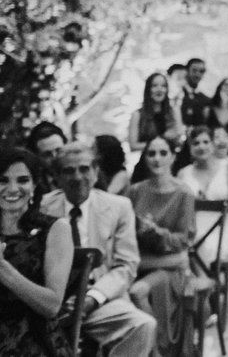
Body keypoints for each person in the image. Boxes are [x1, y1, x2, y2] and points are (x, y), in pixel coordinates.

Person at [40, 142, 156, 356]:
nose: (77, 177)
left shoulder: (118, 207)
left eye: (84, 169)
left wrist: (92, 299)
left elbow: (126, 265)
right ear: (56, 176)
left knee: (143, 326)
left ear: (95, 172)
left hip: (99, 299)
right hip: (53, 300)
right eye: (68, 171)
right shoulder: (42, 208)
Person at [126, 136, 195, 357]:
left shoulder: (183, 192)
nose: (157, 159)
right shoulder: (135, 191)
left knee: (137, 292)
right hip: (138, 261)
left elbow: (183, 241)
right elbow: (125, 232)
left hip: (168, 267)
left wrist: (154, 232)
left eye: (163, 153)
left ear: (173, 157)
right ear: (144, 158)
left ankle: (156, 350)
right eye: (151, 153)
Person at [0, 147, 73, 356]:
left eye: (22, 180)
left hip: (31, 339)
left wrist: (3, 269)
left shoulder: (55, 229)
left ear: (34, 186)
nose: (12, 189)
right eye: (3, 180)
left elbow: (52, 305)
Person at [177, 127, 228, 268]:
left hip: (221, 228)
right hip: (190, 227)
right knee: (187, 243)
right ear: (190, 147)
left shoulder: (227, 168)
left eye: (206, 142)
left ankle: (203, 282)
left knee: (206, 247)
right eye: (196, 143)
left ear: (212, 144)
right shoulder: (183, 173)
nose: (201, 147)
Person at [128, 72, 183, 156]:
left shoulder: (174, 111)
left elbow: (179, 137)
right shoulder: (137, 115)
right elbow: (133, 146)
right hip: (148, 159)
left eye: (163, 86)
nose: (159, 89)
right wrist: (161, 140)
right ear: (148, 89)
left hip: (171, 159)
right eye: (154, 86)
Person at [25, 121, 66, 198]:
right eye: (47, 154)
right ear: (37, 158)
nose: (55, 157)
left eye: (59, 150)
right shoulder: (33, 188)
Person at [180, 58, 211, 129]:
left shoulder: (206, 100)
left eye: (201, 71)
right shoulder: (177, 94)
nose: (197, 74)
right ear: (187, 71)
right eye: (194, 70)